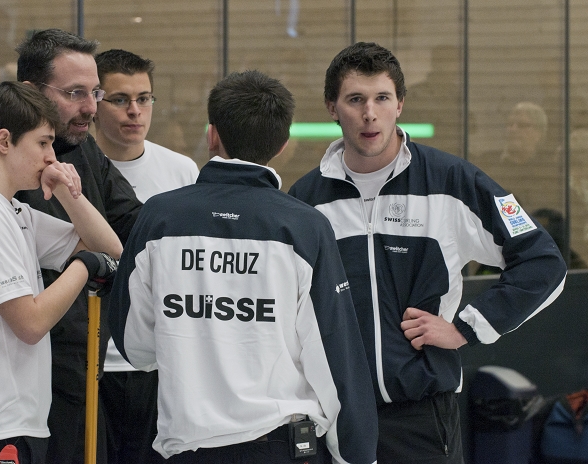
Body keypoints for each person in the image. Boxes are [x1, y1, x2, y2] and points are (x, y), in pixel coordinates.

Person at [288, 42, 567, 464]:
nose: (370, 114)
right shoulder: (306, 201)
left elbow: (544, 263)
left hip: (421, 418)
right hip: (333, 420)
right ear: (332, 107)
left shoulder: (451, 180)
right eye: (355, 99)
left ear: (400, 104)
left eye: (382, 98)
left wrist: (466, 328)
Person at [108, 70, 378, 464]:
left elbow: (135, 347)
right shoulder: (303, 227)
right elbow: (334, 356)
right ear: (283, 144)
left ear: (212, 134)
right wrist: (357, 454)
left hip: (187, 448)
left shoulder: (159, 218)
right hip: (279, 447)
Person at [0, 29, 143, 464]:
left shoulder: (18, 206)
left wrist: (73, 198)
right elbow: (28, 321)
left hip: (40, 400)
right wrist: (86, 266)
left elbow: (111, 243)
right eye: (43, 143)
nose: (52, 156)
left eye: (94, 92)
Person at [93, 48, 199, 464]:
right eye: (120, 99)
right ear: (95, 103)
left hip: (160, 365)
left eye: (144, 98)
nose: (135, 111)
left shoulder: (182, 172)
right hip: (92, 362)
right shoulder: (72, 169)